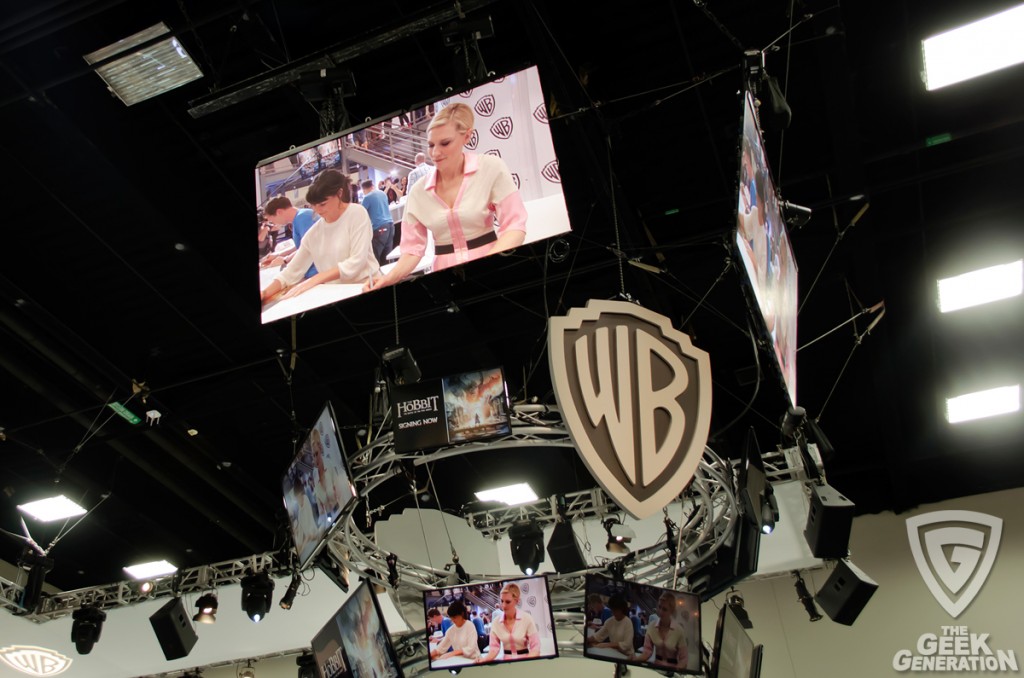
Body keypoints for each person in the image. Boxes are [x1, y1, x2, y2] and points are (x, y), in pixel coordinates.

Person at [363, 103, 527, 293]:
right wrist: (387, 279)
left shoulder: (491, 168)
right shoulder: (418, 191)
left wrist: (487, 265)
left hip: (493, 266)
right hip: (445, 278)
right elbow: (412, 250)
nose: (435, 153)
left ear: (467, 136)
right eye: (431, 145)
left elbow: (515, 226)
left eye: (445, 143)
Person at [260, 170, 379, 305]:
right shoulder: (314, 233)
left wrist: (316, 279)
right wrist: (265, 293)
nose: (317, 210)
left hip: (366, 286)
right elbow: (291, 271)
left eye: (322, 204)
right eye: (314, 206)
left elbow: (357, 261)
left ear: (339, 194)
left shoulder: (356, 213)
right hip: (335, 294)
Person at [476, 582, 540, 662]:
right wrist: (483, 660)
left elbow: (535, 648)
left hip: (525, 661)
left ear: (517, 601)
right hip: (506, 663)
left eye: (508, 602)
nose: (503, 605)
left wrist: (526, 664)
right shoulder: (496, 622)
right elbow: (494, 649)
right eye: (502, 601)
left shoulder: (527, 619)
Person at [260, 196, 318, 278]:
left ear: (279, 212)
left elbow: (310, 247)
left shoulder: (303, 218)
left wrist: (285, 260)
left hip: (317, 271)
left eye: (272, 221)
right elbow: (302, 245)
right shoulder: (299, 218)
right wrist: (278, 254)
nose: (274, 224)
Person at [634, 592, 688, 669]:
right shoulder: (652, 626)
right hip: (656, 667)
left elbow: (684, 659)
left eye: (665, 609)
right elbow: (647, 652)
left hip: (672, 670)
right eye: (659, 607)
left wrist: (676, 670)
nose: (660, 612)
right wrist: (634, 660)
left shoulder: (678, 630)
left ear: (671, 611)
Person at [360, 179, 395, 265]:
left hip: (379, 228)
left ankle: (379, 278)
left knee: (375, 258)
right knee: (388, 256)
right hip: (391, 226)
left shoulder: (367, 197)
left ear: (364, 189)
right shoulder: (382, 193)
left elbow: (361, 213)